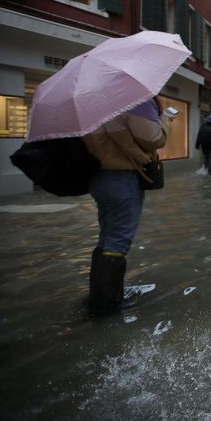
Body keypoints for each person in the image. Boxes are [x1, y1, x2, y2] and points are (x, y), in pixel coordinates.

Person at [82, 96, 173, 313]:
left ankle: (97, 299)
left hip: (99, 177)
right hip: (122, 177)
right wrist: (166, 120)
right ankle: (107, 307)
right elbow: (153, 138)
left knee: (106, 237)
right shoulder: (133, 99)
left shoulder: (93, 101)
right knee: (118, 243)